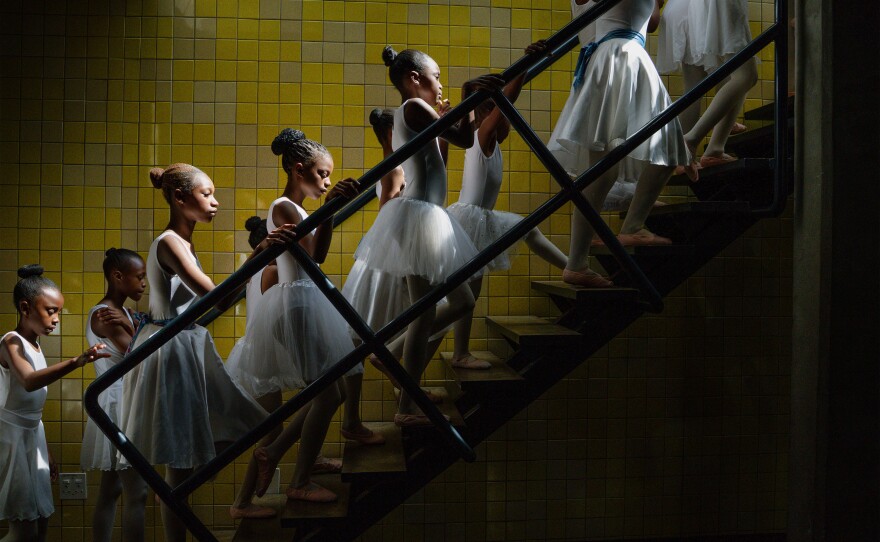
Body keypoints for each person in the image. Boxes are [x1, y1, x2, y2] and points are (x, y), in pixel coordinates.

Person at [119, 163, 296, 541]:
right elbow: (218, 297)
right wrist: (260, 251)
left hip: (186, 345)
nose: (215, 202)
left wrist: (260, 254)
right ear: (181, 199)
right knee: (181, 464)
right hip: (172, 350)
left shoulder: (182, 242)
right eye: (207, 195)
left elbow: (221, 298)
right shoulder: (168, 242)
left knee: (241, 426)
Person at [343, 46, 505, 426]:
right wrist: (467, 96)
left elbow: (452, 148)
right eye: (436, 76)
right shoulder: (413, 108)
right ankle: (406, 407)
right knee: (430, 309)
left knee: (459, 301)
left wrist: (461, 112)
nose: (439, 83)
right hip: (417, 216)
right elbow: (468, 139)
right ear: (414, 79)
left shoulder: (416, 114)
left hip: (425, 215)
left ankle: (389, 355)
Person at [246, 128, 360, 504]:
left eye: (328, 176)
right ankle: (297, 479)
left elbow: (318, 253)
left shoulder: (300, 209)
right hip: (295, 304)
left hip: (305, 302)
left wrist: (329, 211)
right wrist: (330, 210)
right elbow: (311, 257)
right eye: (321, 174)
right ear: (298, 169)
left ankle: (279, 452)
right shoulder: (282, 206)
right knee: (327, 395)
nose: (326, 182)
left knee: (335, 392)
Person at [548, 0, 696, 288]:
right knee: (607, 168)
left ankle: (627, 229)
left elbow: (650, 21)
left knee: (665, 149)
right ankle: (581, 260)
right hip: (619, 56)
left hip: (626, 57)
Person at [446, 40, 568, 369]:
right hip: (470, 220)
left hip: (477, 219)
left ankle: (571, 268)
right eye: (503, 117)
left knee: (524, 235)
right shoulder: (481, 135)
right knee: (466, 291)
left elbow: (493, 105)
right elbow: (505, 100)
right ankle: (457, 353)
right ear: (490, 114)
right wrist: (526, 63)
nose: (509, 123)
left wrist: (473, 91)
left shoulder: (484, 140)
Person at [226, 214, 344, 516]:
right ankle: (241, 503)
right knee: (271, 429)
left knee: (318, 398)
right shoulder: (272, 271)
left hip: (265, 351)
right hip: (261, 354)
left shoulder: (267, 270)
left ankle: (307, 457)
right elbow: (280, 318)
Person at [1, 265, 109, 542]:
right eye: (51, 310)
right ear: (25, 308)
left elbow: (32, 408)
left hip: (32, 436)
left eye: (58, 311)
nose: (57, 319)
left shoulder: (35, 344)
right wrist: (77, 361)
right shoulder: (11, 342)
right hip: (11, 440)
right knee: (22, 529)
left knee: (41, 520)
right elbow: (28, 381)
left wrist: (45, 449)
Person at [80, 248, 148, 542]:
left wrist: (131, 322)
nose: (144, 283)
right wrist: (125, 324)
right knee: (138, 492)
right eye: (139, 277)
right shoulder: (105, 314)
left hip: (123, 400)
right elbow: (139, 355)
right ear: (117, 277)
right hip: (120, 403)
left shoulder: (123, 312)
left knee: (111, 489)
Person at [656, 0, 758, 168]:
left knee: (696, 88)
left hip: (683, 8)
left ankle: (686, 157)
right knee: (746, 76)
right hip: (714, 6)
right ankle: (692, 140)